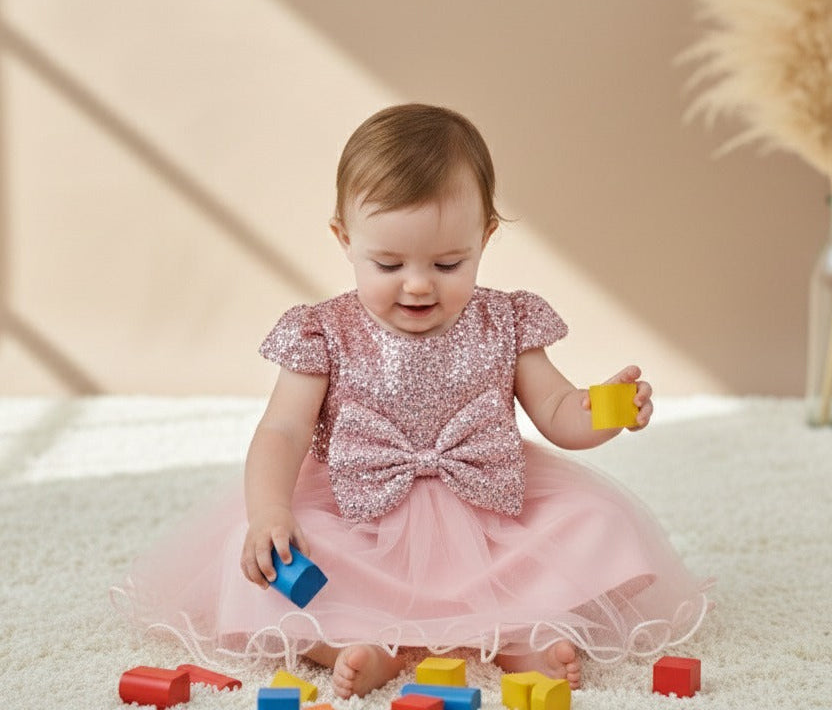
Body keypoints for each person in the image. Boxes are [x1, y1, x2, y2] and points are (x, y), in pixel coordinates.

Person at [116, 104, 711, 699]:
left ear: (485, 237)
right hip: (362, 515)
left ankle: (518, 639)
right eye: (389, 263)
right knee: (259, 563)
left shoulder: (505, 321)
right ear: (345, 240)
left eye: (449, 263)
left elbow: (558, 412)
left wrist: (607, 409)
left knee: (595, 523)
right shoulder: (323, 333)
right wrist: (270, 511)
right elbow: (284, 432)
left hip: (490, 513)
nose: (419, 283)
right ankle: (358, 646)